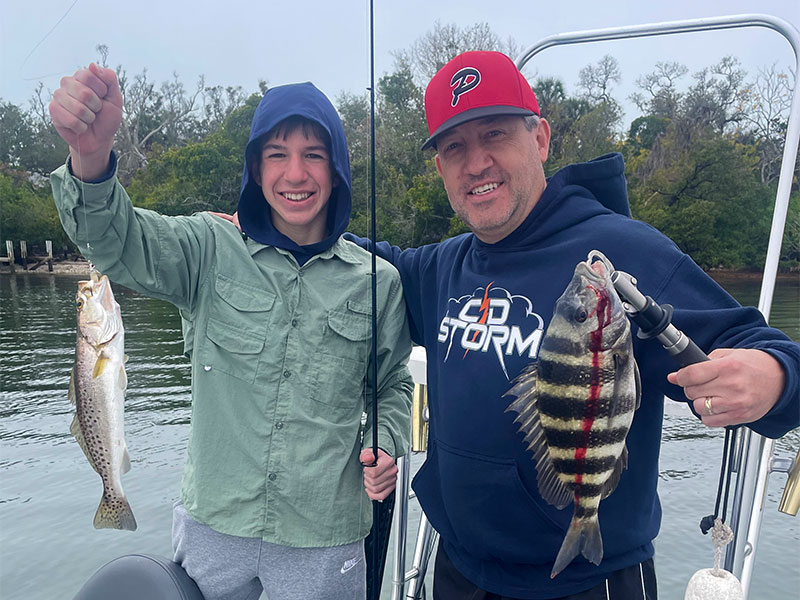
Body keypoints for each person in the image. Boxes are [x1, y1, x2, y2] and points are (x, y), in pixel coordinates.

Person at [344, 51, 799, 599]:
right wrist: (264, 225)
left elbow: (765, 352)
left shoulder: (624, 254)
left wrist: (773, 375)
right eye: (454, 147)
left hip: (589, 580)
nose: (476, 162)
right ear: (440, 167)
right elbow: (352, 258)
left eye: (495, 134)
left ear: (539, 139)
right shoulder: (439, 267)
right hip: (459, 571)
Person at [49, 63, 413, 600]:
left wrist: (386, 441)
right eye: (277, 154)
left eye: (314, 155)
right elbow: (115, 240)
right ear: (255, 168)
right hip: (212, 525)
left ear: (336, 170)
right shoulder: (206, 248)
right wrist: (90, 156)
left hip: (325, 533)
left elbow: (393, 387)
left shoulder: (378, 281)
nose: (295, 174)